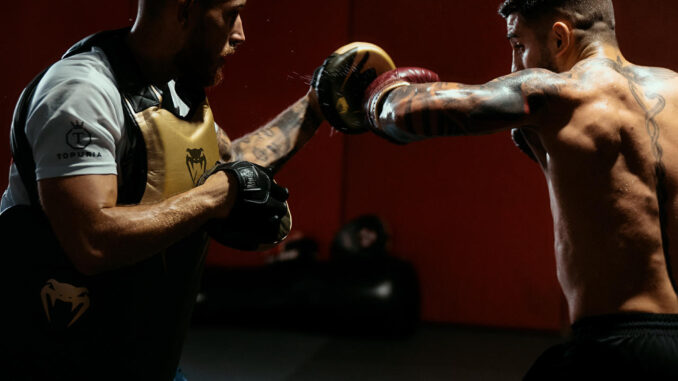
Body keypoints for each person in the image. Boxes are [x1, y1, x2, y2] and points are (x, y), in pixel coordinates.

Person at [322, 0, 678, 377]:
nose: (514, 66)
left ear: (560, 38)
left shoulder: (559, 93)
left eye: (518, 46)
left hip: (614, 351)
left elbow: (401, 114)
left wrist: (378, 91)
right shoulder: (674, 87)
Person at [0, 0, 327, 379]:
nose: (240, 34)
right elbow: (91, 241)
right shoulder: (83, 93)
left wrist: (315, 108)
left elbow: (232, 166)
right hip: (48, 363)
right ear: (183, 12)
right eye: (230, 14)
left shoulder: (171, 91)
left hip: (140, 360)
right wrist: (218, 195)